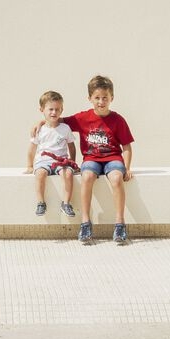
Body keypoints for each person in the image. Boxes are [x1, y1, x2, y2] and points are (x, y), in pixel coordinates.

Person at [63, 75, 134, 244]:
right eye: (97, 98)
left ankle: (120, 224)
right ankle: (86, 222)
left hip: (112, 158)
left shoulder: (117, 119)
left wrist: (128, 167)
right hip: (91, 158)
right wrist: (39, 123)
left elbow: (127, 146)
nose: (101, 102)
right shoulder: (82, 118)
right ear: (89, 98)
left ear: (112, 98)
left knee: (116, 178)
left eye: (105, 98)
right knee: (86, 177)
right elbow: (58, 122)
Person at [26, 91, 78, 217]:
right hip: (43, 161)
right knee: (40, 174)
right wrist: (29, 165)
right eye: (50, 109)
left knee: (68, 173)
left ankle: (66, 203)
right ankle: (41, 202)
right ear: (42, 109)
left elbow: (71, 146)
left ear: (61, 110)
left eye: (57, 109)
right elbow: (32, 149)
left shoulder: (65, 128)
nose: (54, 112)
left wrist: (73, 161)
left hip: (61, 161)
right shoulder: (40, 130)